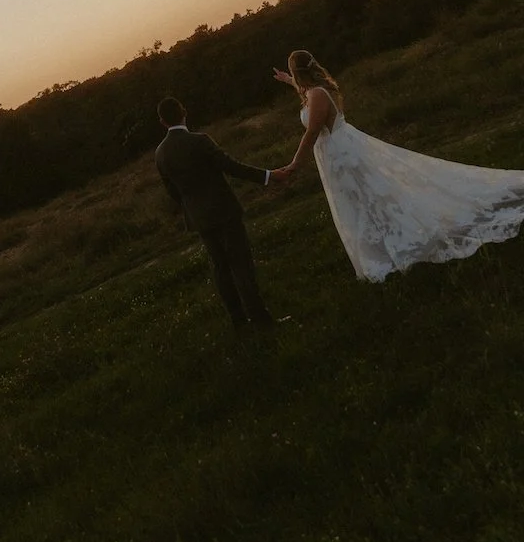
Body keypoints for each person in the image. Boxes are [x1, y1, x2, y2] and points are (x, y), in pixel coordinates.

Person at [271, 50, 524, 282]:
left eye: (292, 75)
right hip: (339, 149)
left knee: (365, 197)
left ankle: (391, 245)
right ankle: (378, 244)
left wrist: (295, 164)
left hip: (341, 155)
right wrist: (288, 81)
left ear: (299, 73)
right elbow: (309, 98)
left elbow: (312, 131)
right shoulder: (317, 89)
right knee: (359, 199)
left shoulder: (317, 94)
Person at [154, 96, 276, 331]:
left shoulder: (160, 154)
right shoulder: (199, 141)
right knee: (241, 265)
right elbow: (230, 166)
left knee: (220, 267)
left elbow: (172, 192)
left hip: (199, 218)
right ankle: (260, 318)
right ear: (184, 112)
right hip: (223, 210)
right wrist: (267, 176)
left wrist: (192, 206)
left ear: (162, 122)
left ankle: (238, 320)